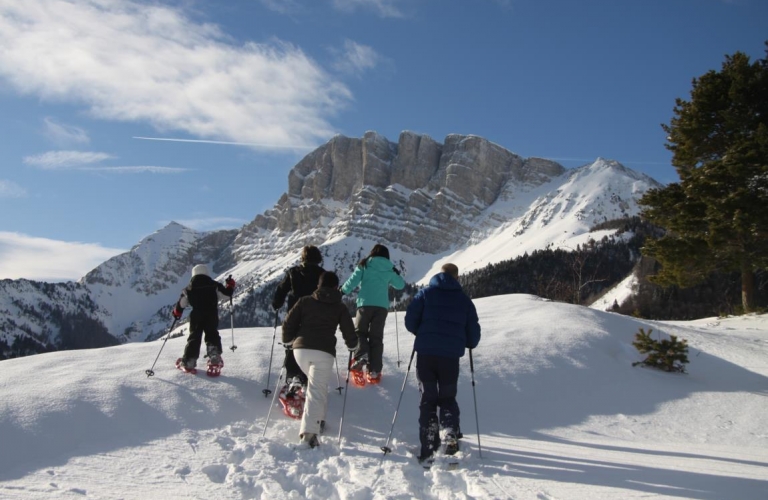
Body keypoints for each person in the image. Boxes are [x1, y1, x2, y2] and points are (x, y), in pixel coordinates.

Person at [404, 263, 481, 463]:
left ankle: (429, 439)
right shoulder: (464, 300)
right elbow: (473, 334)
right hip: (450, 358)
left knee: (428, 398)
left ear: (440, 274)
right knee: (447, 397)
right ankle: (449, 432)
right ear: (456, 277)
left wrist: (420, 332)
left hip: (426, 354)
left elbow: (410, 318)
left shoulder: (425, 294)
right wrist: (467, 342)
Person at [282, 271, 357, 448]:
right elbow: (349, 331)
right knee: (317, 389)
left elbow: (288, 323)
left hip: (300, 351)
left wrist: (287, 340)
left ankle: (318, 420)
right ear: (335, 287)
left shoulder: (305, 301)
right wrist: (353, 346)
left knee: (316, 386)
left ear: (318, 285)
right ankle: (308, 435)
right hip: (323, 352)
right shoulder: (339, 306)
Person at [340, 244, 406, 384]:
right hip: (381, 307)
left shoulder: (365, 264)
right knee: (376, 337)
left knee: (360, 332)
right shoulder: (389, 268)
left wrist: (342, 291)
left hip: (364, 304)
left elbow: (353, 281)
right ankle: (374, 371)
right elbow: (400, 285)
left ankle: (362, 354)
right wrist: (396, 273)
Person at [272, 245, 325, 392]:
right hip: (315, 315)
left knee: (291, 343)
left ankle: (292, 375)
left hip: (294, 313)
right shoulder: (322, 275)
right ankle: (305, 376)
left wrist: (276, 304)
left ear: (303, 257)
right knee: (309, 344)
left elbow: (281, 290)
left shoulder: (293, 272)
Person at [173, 264, 235, 372]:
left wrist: (177, 313)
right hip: (211, 314)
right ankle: (214, 357)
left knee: (194, 337)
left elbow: (181, 304)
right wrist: (230, 285)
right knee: (212, 334)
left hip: (196, 315)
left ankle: (189, 361)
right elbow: (226, 295)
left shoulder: (189, 288)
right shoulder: (214, 285)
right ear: (207, 273)